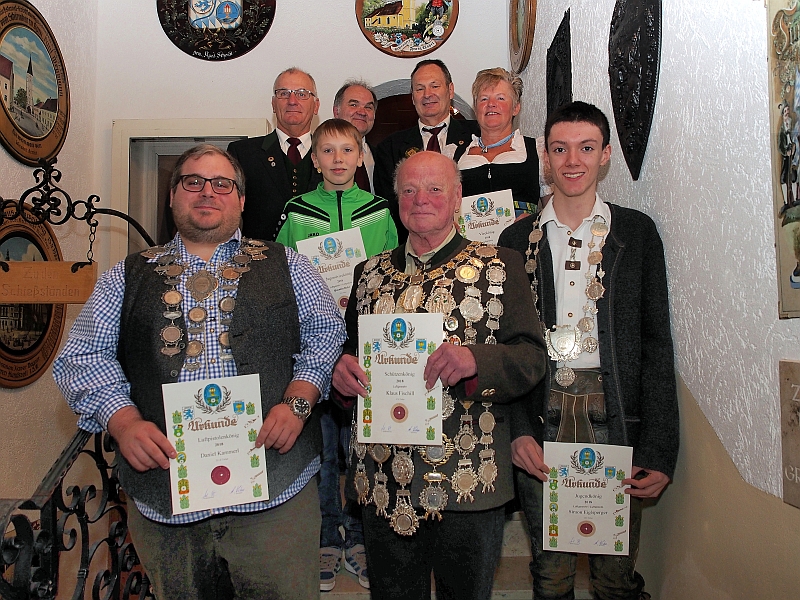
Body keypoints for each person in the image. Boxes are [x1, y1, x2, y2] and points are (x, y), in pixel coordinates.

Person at [53, 144, 346, 600]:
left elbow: (326, 333)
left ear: (241, 199)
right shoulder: (125, 275)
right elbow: (82, 356)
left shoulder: (290, 264)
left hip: (276, 494)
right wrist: (123, 422)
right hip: (165, 499)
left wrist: (298, 401)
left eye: (222, 184)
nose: (208, 192)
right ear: (172, 195)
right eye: (193, 181)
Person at [333, 151, 547, 600]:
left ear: (457, 197)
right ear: (396, 199)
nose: (421, 199)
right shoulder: (368, 273)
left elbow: (531, 359)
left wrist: (476, 361)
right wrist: (342, 370)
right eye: (409, 190)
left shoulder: (500, 265)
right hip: (383, 478)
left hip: (469, 476)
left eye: (434, 189)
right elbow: (351, 352)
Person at [497, 101, 679, 600]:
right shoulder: (516, 239)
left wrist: (659, 451)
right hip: (543, 414)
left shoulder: (636, 233)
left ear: (605, 155)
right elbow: (507, 348)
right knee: (550, 575)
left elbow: (656, 345)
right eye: (560, 149)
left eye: (586, 147)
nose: (572, 160)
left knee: (615, 578)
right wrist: (517, 431)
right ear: (544, 157)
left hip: (615, 415)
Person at [276, 117, 397, 591]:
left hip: (366, 349)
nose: (338, 159)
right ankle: (327, 537)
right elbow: (282, 276)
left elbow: (394, 274)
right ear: (315, 159)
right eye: (328, 151)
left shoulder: (379, 210)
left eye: (347, 150)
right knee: (326, 453)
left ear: (360, 156)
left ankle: (360, 538)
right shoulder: (297, 210)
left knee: (362, 449)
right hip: (315, 348)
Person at [373, 59, 479, 242]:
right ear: (412, 97)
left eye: (435, 86)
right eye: (419, 89)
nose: (427, 94)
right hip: (414, 245)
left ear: (450, 90)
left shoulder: (477, 136)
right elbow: (390, 207)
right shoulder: (389, 147)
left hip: (469, 239)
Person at [228, 67, 322, 242]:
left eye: (302, 94)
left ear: (316, 106)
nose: (292, 101)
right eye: (283, 93)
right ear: (273, 104)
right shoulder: (243, 154)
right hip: (261, 257)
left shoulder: (332, 156)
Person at [458, 68, 541, 218]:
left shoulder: (537, 151)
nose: (491, 104)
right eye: (484, 99)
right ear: (475, 109)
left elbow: (555, 209)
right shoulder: (455, 154)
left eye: (500, 98)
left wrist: (532, 222)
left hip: (520, 233)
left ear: (516, 108)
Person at [333, 79, 378, 194]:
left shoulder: (382, 156)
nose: (362, 112)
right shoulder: (321, 153)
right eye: (354, 105)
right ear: (336, 112)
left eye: (368, 107)